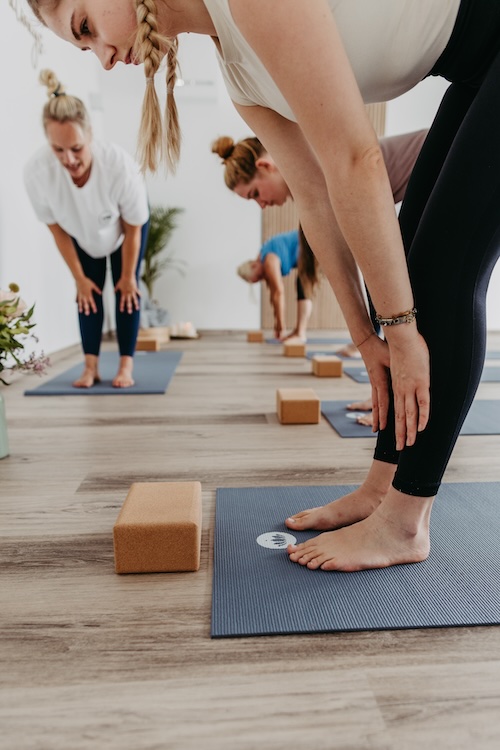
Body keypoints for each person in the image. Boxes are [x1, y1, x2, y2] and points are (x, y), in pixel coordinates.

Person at [28, 0, 500, 574]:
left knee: (446, 272)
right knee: (413, 270)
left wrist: (399, 330)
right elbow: (317, 198)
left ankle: (405, 524)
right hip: (480, 64)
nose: (100, 58)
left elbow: (356, 160)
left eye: (85, 27)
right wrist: (367, 337)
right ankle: (383, 487)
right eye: (83, 48)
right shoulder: (240, 77)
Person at [213, 130, 427, 352]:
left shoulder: (319, 174)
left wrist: (369, 341)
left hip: (444, 159)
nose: (261, 205)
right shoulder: (311, 191)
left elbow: (375, 261)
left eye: (255, 193)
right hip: (427, 179)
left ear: (265, 167)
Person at [24, 69, 150, 388]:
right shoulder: (38, 173)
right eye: (58, 150)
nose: (69, 159)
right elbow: (58, 232)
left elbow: (134, 227)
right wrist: (79, 279)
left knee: (127, 292)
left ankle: (125, 366)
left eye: (76, 148)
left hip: (125, 232)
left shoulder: (119, 166)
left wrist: (125, 276)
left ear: (89, 135)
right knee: (86, 295)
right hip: (81, 233)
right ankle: (90, 368)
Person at [236, 227, 318, 342]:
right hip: (308, 247)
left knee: (303, 284)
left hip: (312, 243)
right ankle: (298, 332)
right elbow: (274, 296)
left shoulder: (269, 259)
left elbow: (278, 293)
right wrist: (277, 323)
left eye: (259, 276)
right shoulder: (265, 256)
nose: (263, 278)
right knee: (302, 283)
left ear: (254, 265)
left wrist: (281, 325)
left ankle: (300, 333)